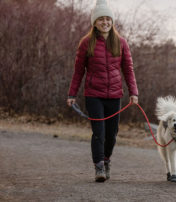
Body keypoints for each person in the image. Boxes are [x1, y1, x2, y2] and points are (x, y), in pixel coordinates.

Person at [67, 0, 138, 182]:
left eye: (108, 19)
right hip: (94, 95)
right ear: (95, 22)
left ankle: (106, 160)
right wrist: (72, 94)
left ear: (112, 21)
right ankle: (99, 167)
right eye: (101, 19)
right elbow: (78, 71)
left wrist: (133, 92)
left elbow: (128, 69)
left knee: (112, 134)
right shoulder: (86, 43)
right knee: (99, 132)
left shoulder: (121, 42)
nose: (105, 22)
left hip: (115, 95)